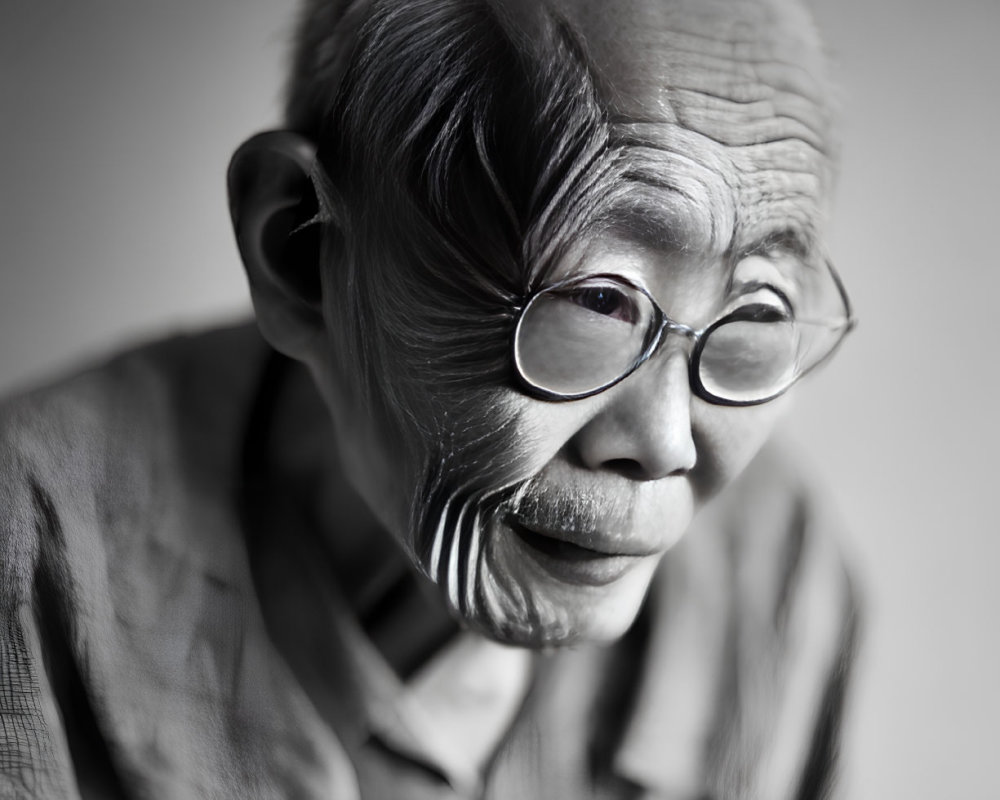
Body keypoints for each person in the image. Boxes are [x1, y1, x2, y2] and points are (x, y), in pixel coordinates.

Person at [0, 0, 859, 797]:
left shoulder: (782, 573)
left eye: (756, 313)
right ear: (300, 251)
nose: (665, 443)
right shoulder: (29, 553)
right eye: (595, 301)